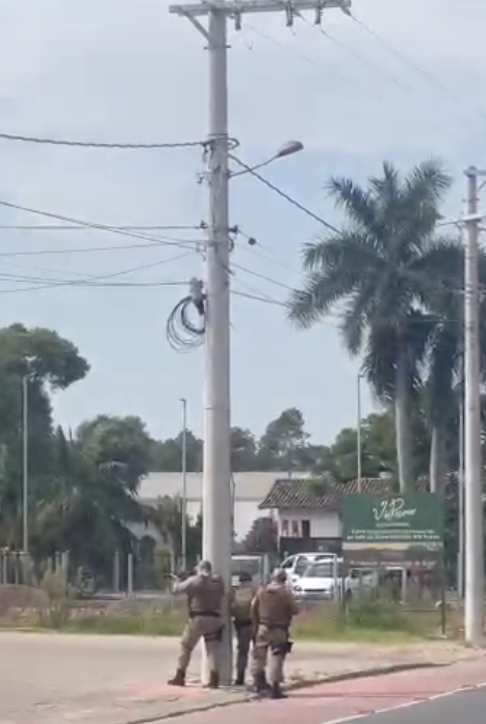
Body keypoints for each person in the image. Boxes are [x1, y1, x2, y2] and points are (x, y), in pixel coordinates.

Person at [168, 559, 225, 689]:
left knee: (186, 646)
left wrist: (177, 580)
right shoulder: (218, 581)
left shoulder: (196, 580)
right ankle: (214, 678)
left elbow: (176, 590)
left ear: (200, 569)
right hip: (215, 618)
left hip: (198, 618)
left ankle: (180, 675)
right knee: (212, 650)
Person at [250, 568, 299, 699]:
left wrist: (257, 622)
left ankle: (258, 683)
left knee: (258, 656)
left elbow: (253, 606)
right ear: (284, 579)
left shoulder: (262, 591)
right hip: (279, 628)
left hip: (263, 627)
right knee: (277, 657)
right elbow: (295, 610)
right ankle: (275, 687)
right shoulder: (285, 593)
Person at [230, 571, 259, 686]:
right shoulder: (255, 591)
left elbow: (231, 609)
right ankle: (258, 677)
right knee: (258, 652)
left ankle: (240, 677)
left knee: (242, 653)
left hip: (241, 625)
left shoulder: (235, 592)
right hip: (254, 624)